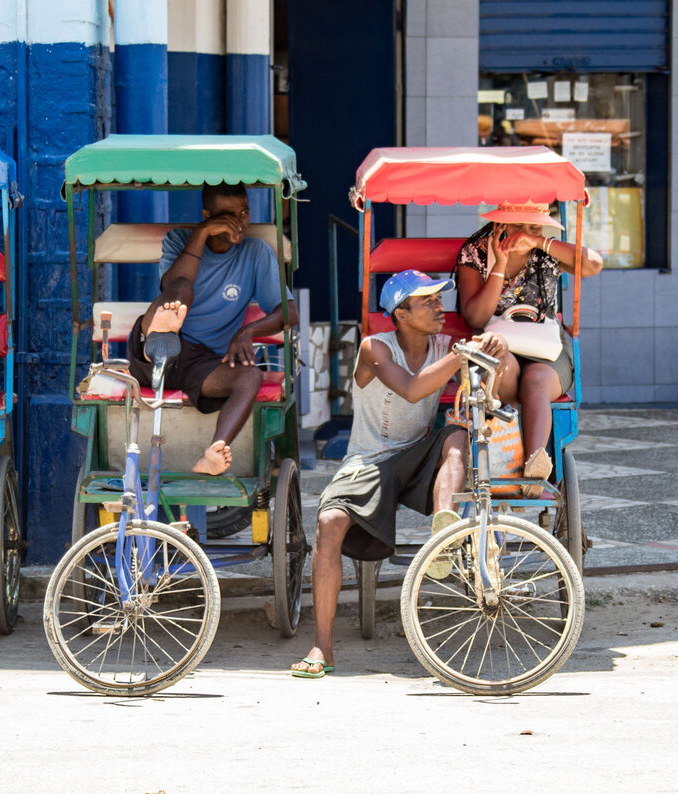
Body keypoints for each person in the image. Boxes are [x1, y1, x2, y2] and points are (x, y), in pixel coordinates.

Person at [289, 269, 507, 678]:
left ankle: (444, 533)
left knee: (456, 435)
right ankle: (322, 646)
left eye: (440, 299)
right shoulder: (374, 347)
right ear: (401, 314)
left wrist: (497, 348)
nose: (441, 307)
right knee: (329, 521)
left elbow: (492, 386)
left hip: (418, 454)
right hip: (369, 460)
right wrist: (465, 355)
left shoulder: (446, 345)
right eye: (428, 301)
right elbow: (410, 388)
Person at [127, 183, 296, 475]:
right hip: (151, 350)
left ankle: (213, 452)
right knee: (181, 291)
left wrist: (247, 332)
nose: (239, 222)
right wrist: (203, 232)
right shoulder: (180, 240)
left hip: (201, 364)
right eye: (227, 216)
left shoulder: (255, 252)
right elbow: (171, 286)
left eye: (244, 212)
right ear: (206, 215)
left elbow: (289, 312)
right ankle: (161, 332)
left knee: (250, 376)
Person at [455, 202, 602, 496]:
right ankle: (500, 466)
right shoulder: (474, 252)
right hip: (498, 347)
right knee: (502, 367)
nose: (526, 234)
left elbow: (593, 264)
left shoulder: (546, 249)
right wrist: (499, 263)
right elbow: (475, 317)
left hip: (546, 349)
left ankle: (535, 470)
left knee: (535, 381)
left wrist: (539, 241)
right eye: (519, 227)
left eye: (535, 227)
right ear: (501, 225)